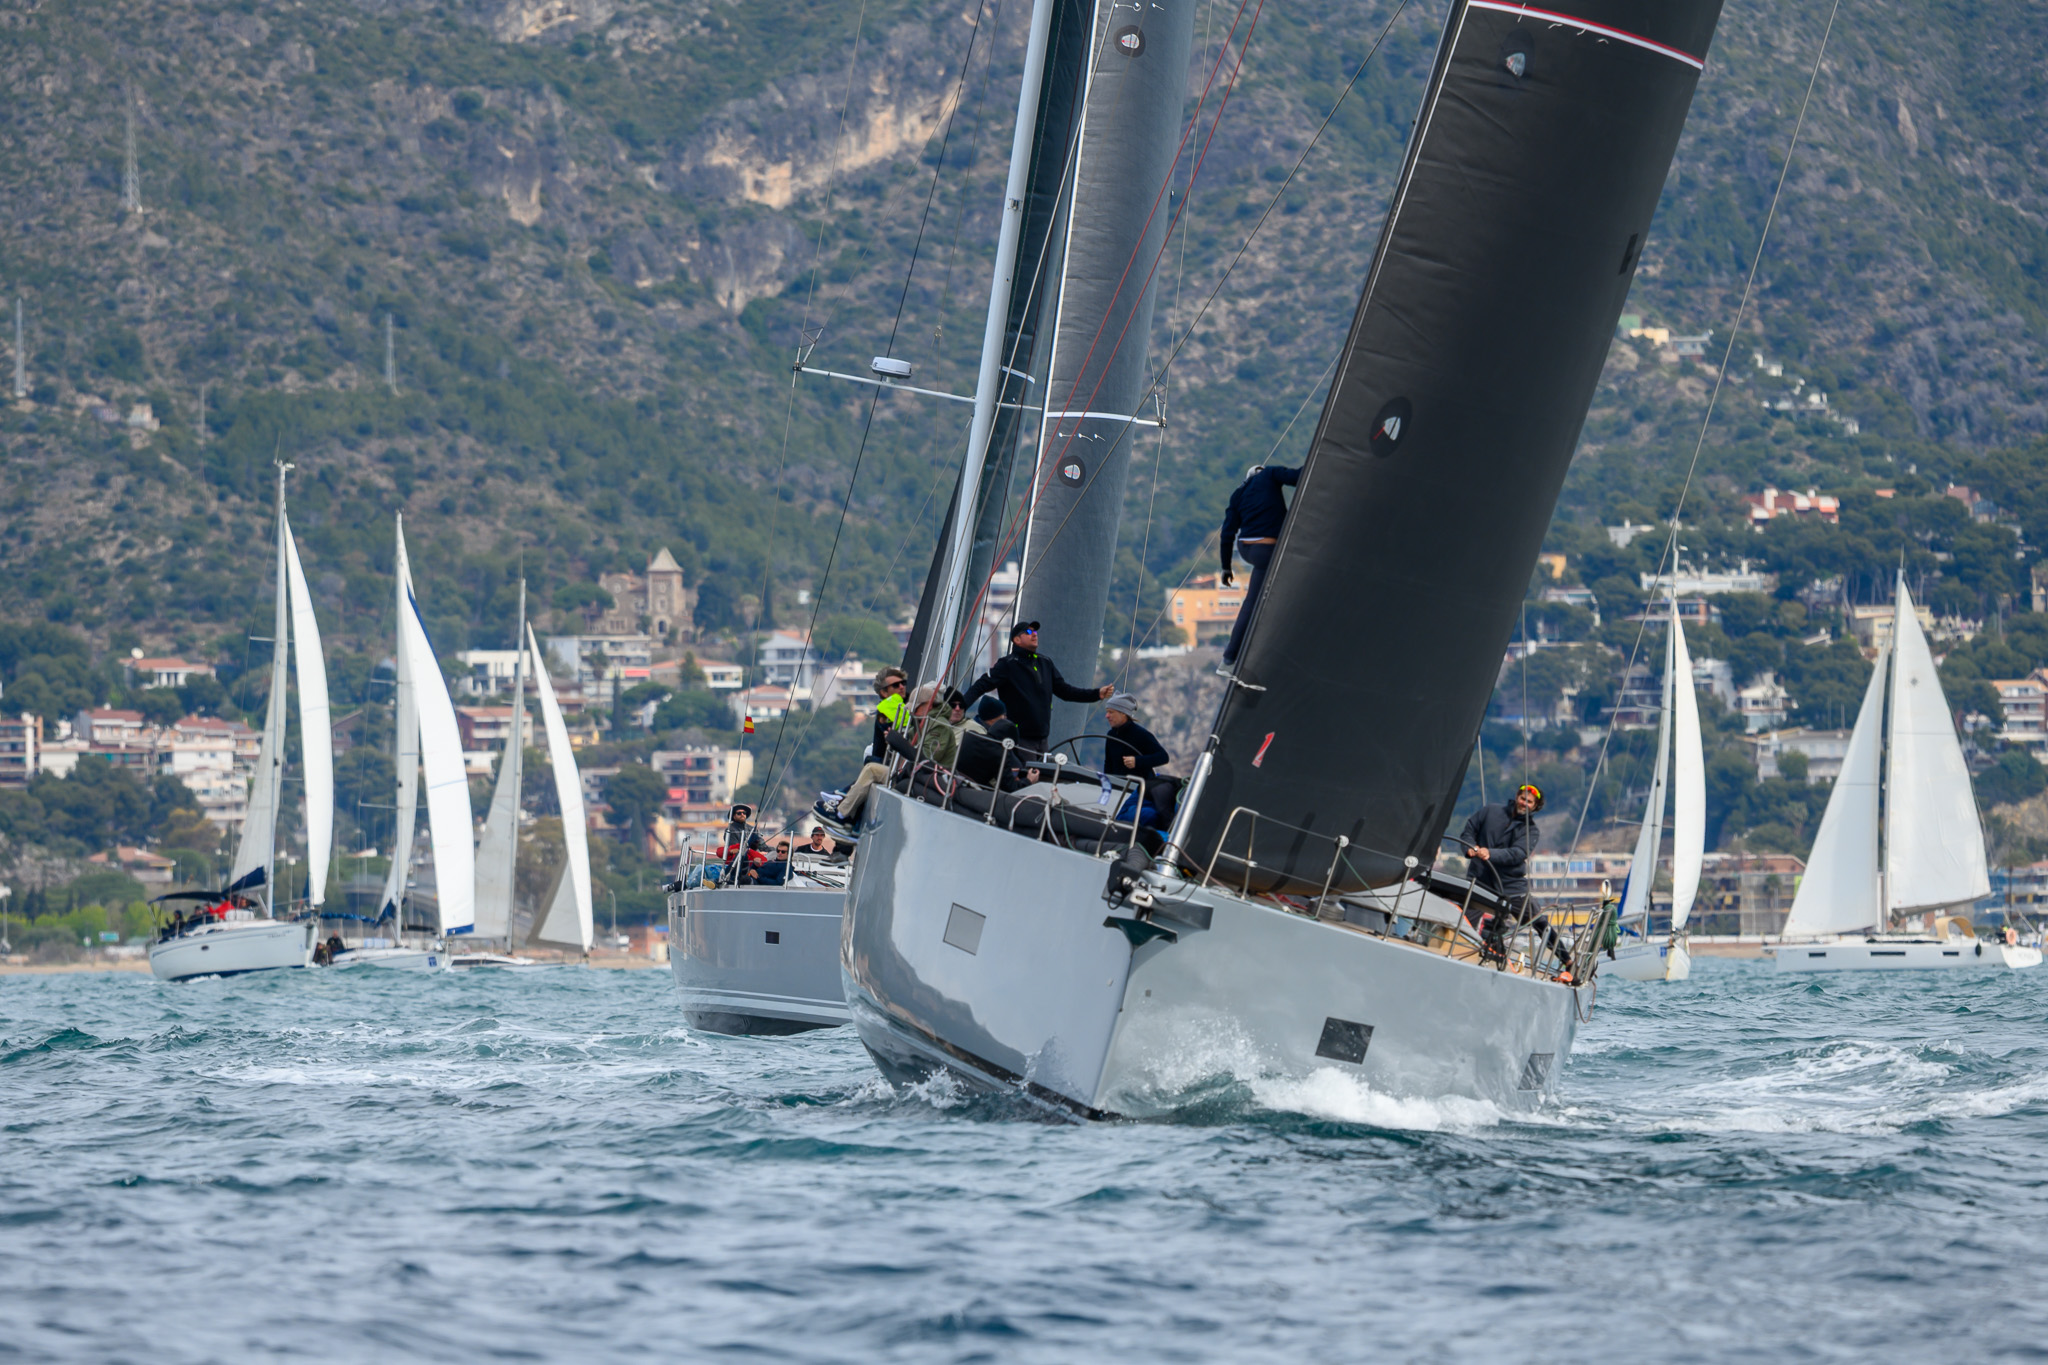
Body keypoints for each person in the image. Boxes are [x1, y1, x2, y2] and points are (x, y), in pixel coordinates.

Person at [817, 682, 969, 828]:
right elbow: (909, 743)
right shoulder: (924, 722)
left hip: (928, 781)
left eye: (915, 708)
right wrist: (894, 738)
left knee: (872, 770)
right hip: (914, 775)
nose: (912, 712)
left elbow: (927, 759)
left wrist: (899, 742)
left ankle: (842, 814)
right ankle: (848, 812)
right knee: (872, 767)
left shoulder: (939, 725)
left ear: (927, 705)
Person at [1458, 784, 1573, 977]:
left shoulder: (1532, 831)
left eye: (1529, 802)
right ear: (1517, 797)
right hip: (1480, 879)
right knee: (1465, 921)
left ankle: (1568, 961)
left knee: (1538, 921)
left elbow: (1518, 853)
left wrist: (1490, 853)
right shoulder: (1490, 811)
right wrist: (1469, 847)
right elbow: (1469, 830)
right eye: (1522, 798)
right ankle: (1457, 954)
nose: (1524, 803)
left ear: (1535, 807)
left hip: (1511, 885)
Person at [962, 620, 1113, 754]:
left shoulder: (1045, 662)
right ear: (1016, 639)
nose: (1034, 634)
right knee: (1027, 776)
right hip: (1019, 739)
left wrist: (1097, 694)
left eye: (1035, 632)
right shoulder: (1007, 664)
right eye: (1028, 632)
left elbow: (1066, 691)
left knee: (1044, 775)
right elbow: (980, 686)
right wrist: (960, 708)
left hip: (1043, 739)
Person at [1219, 463, 1301, 669]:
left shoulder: (1238, 494)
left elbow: (1227, 534)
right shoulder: (1271, 474)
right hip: (1267, 548)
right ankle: (1237, 655)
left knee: (1251, 601)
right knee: (1263, 598)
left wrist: (1226, 568)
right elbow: (1299, 477)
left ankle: (1229, 658)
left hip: (1247, 549)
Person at [868, 668, 910, 761]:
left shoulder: (915, 701)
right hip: (888, 762)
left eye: (903, 683)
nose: (901, 687)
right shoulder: (884, 713)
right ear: (884, 692)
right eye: (895, 685)